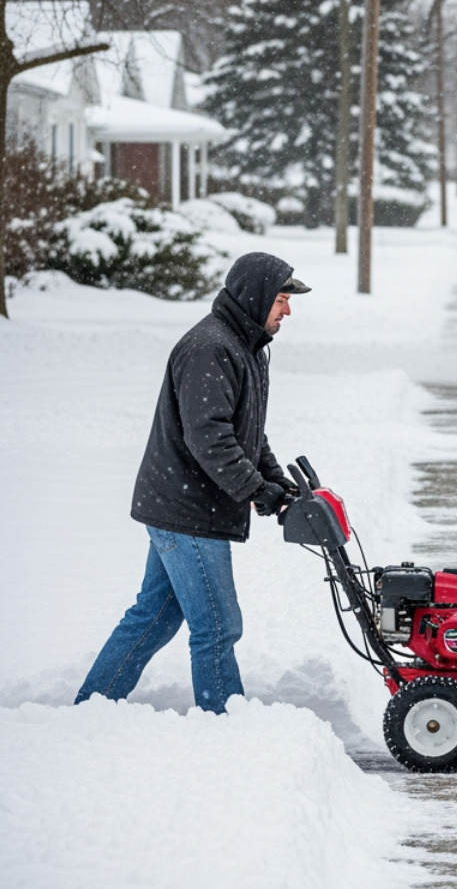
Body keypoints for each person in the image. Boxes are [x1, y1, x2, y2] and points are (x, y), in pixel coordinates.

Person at [75, 253, 310, 714]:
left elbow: (246, 428)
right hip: (186, 510)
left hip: (183, 503)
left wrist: (274, 478)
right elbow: (210, 439)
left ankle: (92, 709)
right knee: (218, 626)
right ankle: (225, 724)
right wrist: (256, 490)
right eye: (281, 300)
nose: (287, 311)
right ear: (255, 297)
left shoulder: (246, 346)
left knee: (155, 616)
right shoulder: (210, 348)